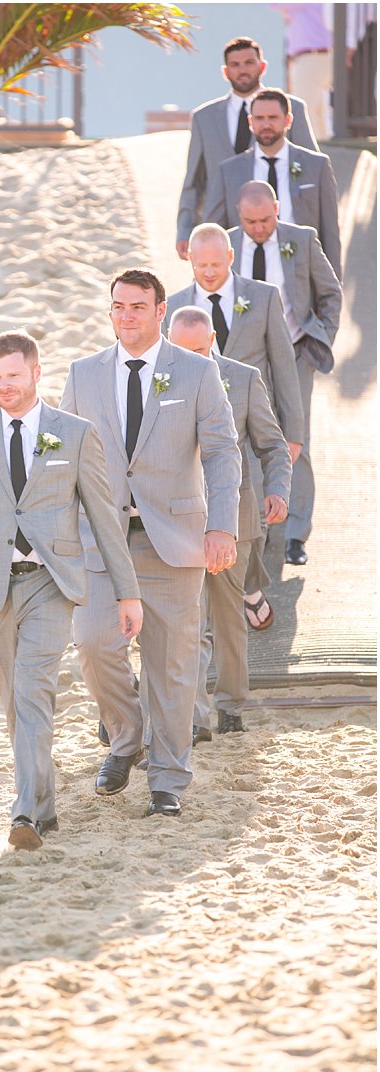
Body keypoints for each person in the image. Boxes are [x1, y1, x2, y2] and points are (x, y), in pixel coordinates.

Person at [0, 331, 141, 849]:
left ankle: (23, 813)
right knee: (14, 701)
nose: (4, 386)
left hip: (51, 582)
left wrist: (127, 593)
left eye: (13, 376)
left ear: (36, 374)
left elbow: (105, 519)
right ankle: (43, 805)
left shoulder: (74, 433)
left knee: (34, 691)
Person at [60, 269, 240, 818]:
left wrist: (221, 526)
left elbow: (222, 450)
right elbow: (64, 454)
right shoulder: (83, 374)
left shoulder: (196, 371)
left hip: (176, 538)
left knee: (171, 665)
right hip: (101, 540)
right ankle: (126, 737)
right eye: (118, 307)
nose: (126, 316)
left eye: (138, 307)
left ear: (161, 310)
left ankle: (167, 780)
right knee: (93, 643)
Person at [165, 222, 302, 627]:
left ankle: (248, 585)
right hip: (188, 445)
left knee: (249, 520)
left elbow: (282, 364)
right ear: (188, 259)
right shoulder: (171, 307)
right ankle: (227, 601)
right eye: (199, 263)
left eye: (215, 263)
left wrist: (293, 431)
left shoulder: (261, 298)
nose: (207, 272)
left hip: (247, 418)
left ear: (230, 257)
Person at [165, 307, 290, 740]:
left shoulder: (244, 378)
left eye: (200, 350)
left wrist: (278, 490)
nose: (192, 360)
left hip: (234, 518)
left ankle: (232, 705)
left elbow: (273, 445)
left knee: (227, 620)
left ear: (213, 338)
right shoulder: (155, 381)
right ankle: (195, 716)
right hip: (175, 522)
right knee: (187, 622)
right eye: (182, 351)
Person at [228, 181, 343, 569]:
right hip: (248, 358)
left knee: (297, 437)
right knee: (250, 438)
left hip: (295, 354)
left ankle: (295, 533)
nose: (258, 228)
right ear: (238, 214)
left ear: (277, 210)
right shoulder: (226, 245)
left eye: (265, 220)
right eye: (249, 221)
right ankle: (259, 524)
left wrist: (320, 340)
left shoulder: (302, 240)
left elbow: (330, 293)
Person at [176, 36, 318, 261]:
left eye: (249, 63)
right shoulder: (203, 118)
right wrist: (185, 229)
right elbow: (193, 181)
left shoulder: (293, 109)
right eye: (235, 64)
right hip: (224, 230)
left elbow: (312, 170)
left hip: (281, 227)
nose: (242, 70)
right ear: (225, 71)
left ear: (262, 66)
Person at [210, 88, 343, 275]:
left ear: (287, 120)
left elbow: (330, 232)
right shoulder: (229, 170)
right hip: (247, 274)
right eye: (259, 118)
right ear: (250, 122)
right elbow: (214, 231)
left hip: (301, 273)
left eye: (273, 117)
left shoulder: (316, 165)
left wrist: (333, 284)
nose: (266, 124)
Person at [273, 2, 333, 140]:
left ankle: (311, 148)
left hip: (310, 57)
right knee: (317, 108)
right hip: (313, 57)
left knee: (304, 107)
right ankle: (321, 146)